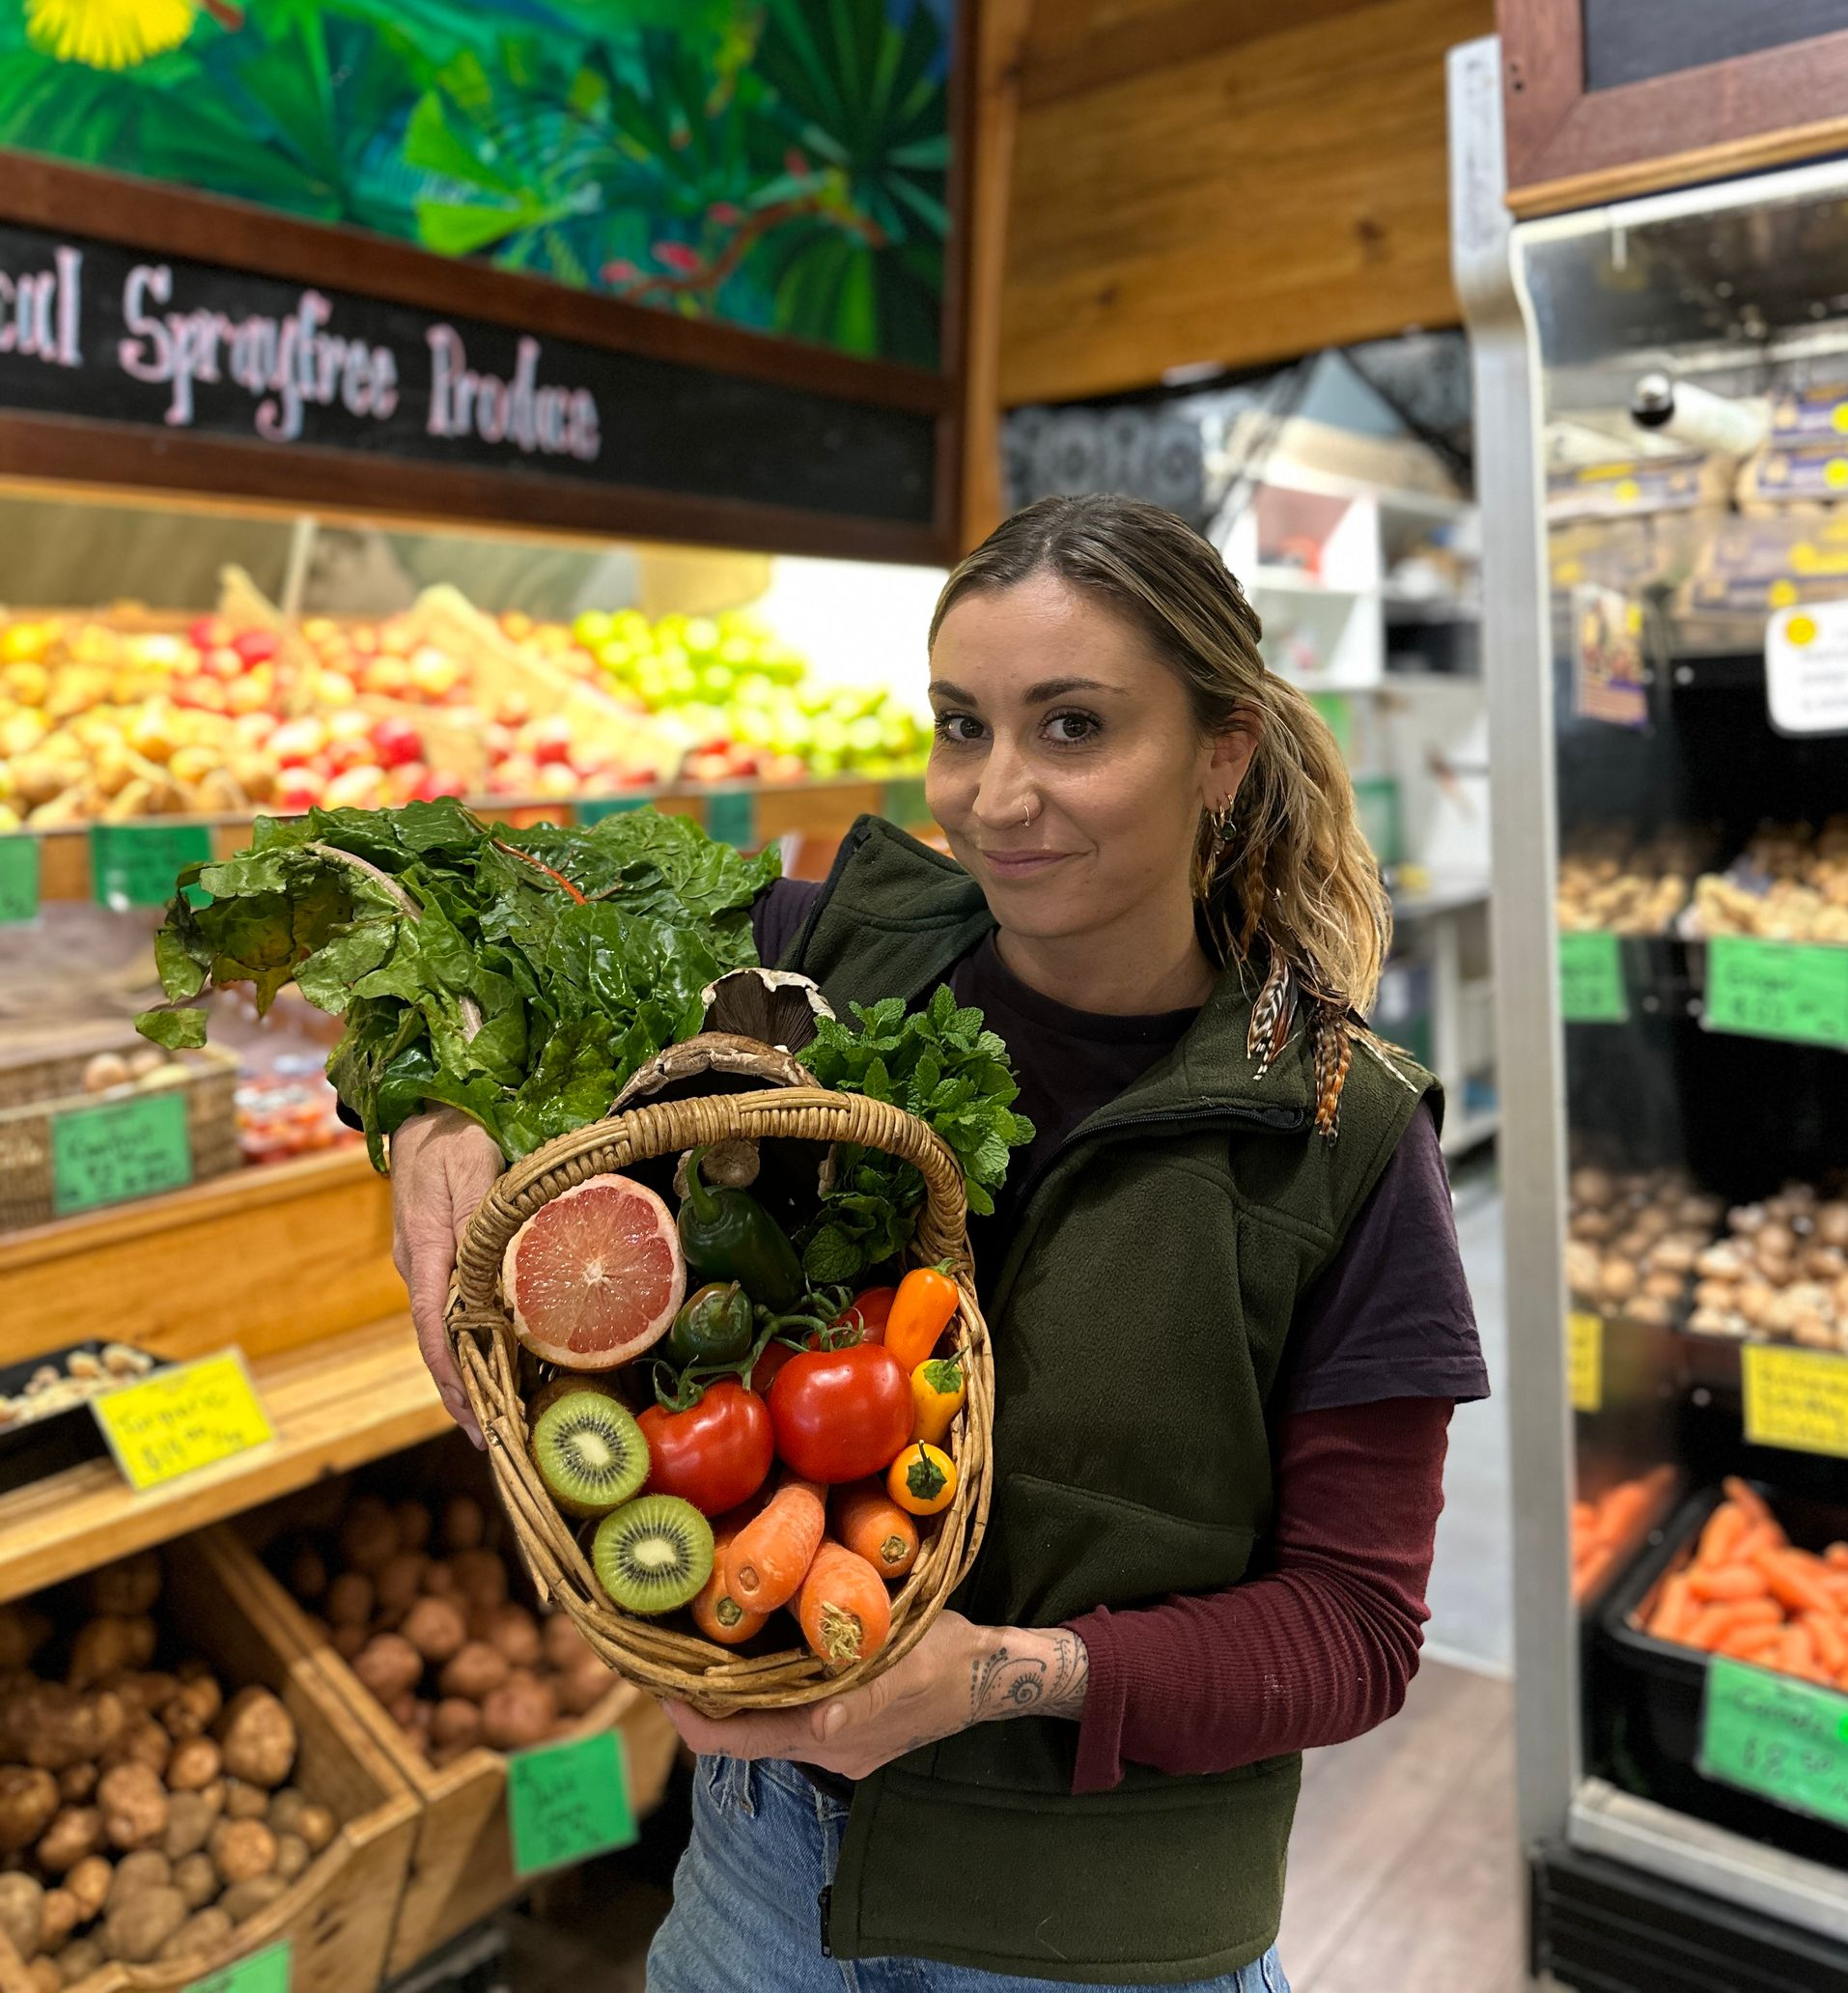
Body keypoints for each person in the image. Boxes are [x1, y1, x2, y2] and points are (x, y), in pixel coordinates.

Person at [392, 494, 1489, 1991]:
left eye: (1075, 728)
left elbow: (1356, 1630)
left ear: (1222, 752)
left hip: (1105, 1937)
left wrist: (996, 1680)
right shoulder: (813, 955)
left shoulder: (1341, 1133)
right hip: (758, 1878)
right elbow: (457, 909)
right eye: (961, 726)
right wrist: (432, 1102)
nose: (996, 795)